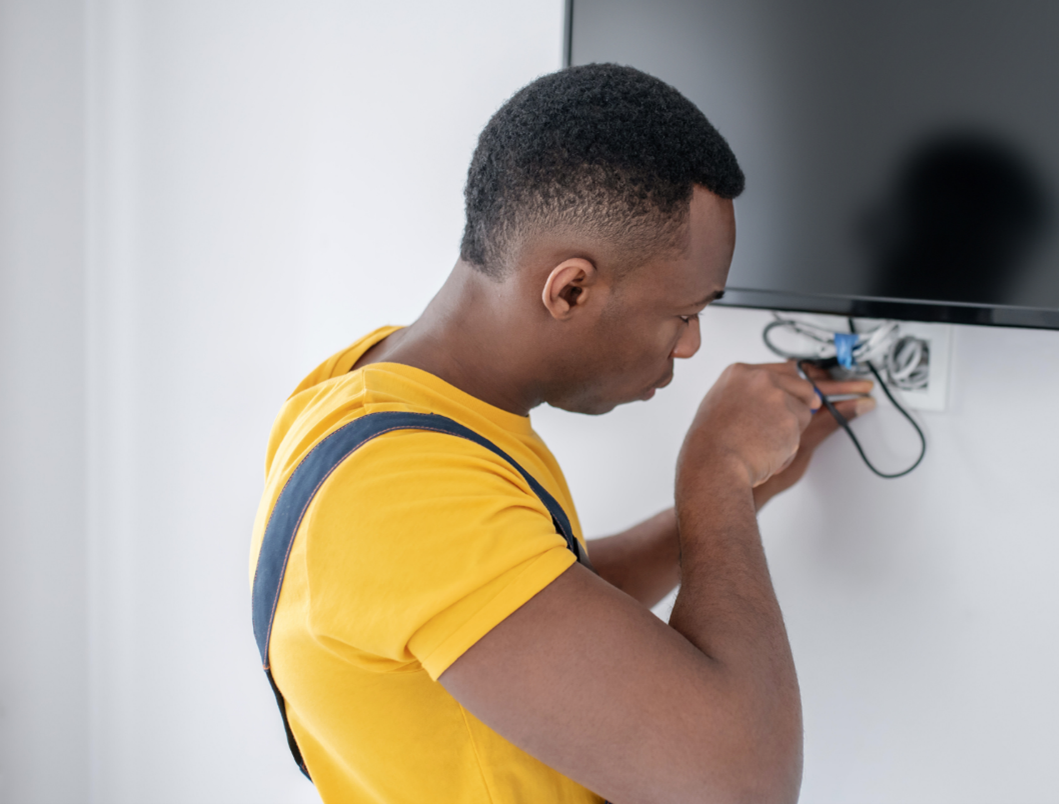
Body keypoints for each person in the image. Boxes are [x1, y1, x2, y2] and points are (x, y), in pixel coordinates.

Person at [249, 63, 875, 804]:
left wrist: (736, 497)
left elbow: (537, 598)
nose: (691, 347)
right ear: (570, 288)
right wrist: (717, 474)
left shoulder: (367, 388)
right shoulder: (400, 490)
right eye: (683, 314)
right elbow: (743, 785)